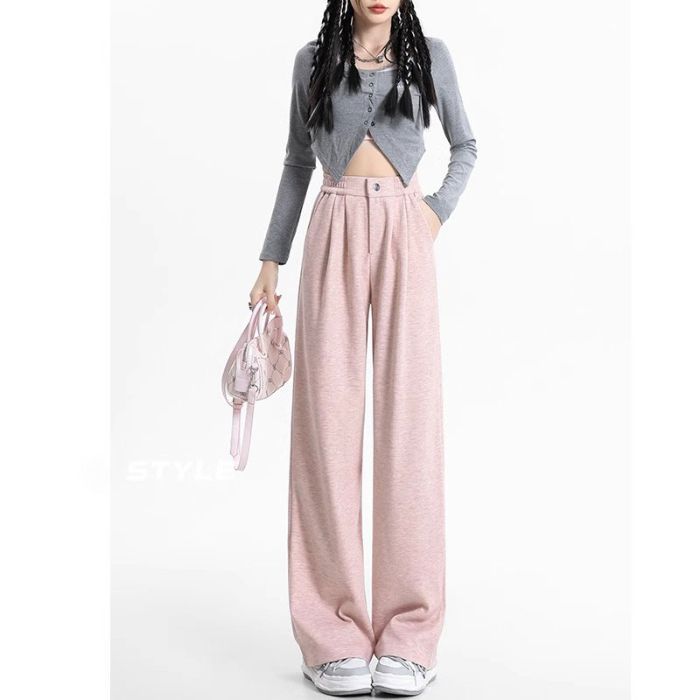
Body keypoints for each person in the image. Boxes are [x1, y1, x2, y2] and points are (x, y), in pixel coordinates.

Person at [249, 0, 477, 695]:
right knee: (327, 429)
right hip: (334, 226)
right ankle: (331, 633)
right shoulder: (312, 62)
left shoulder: (431, 57)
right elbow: (298, 161)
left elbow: (466, 146)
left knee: (410, 432)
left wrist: (433, 214)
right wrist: (271, 259)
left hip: (406, 232)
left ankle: (410, 634)